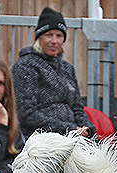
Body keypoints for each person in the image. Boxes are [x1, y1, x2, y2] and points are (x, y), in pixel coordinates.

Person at [11, 7, 94, 139]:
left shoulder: (68, 69)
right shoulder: (25, 65)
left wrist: (88, 129)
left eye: (59, 36)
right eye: (49, 35)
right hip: (41, 138)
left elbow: (77, 108)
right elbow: (27, 114)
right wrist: (70, 129)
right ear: (39, 38)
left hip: (72, 136)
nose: (54, 41)